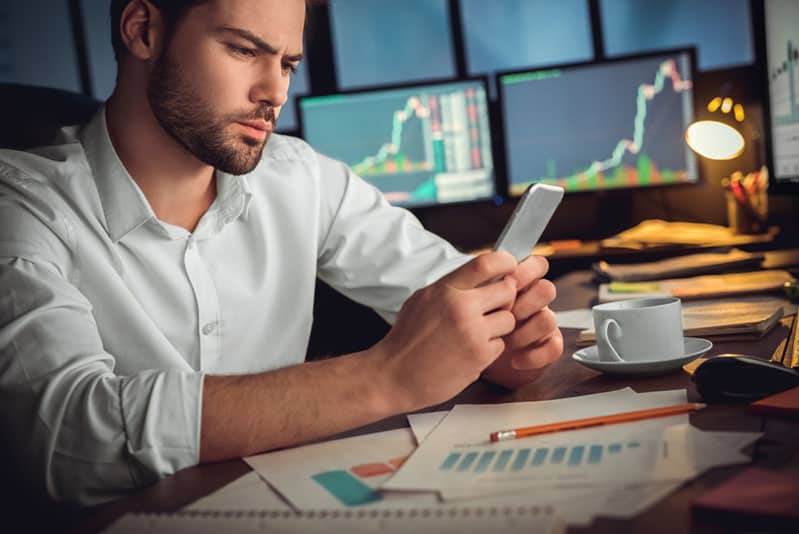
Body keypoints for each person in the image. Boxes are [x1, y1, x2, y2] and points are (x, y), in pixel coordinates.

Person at [0, 0, 562, 506]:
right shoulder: (20, 206)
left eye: (288, 63)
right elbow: (68, 435)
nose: (275, 92)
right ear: (143, 30)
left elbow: (454, 295)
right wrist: (384, 376)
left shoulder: (304, 179)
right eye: (244, 50)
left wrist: (499, 339)